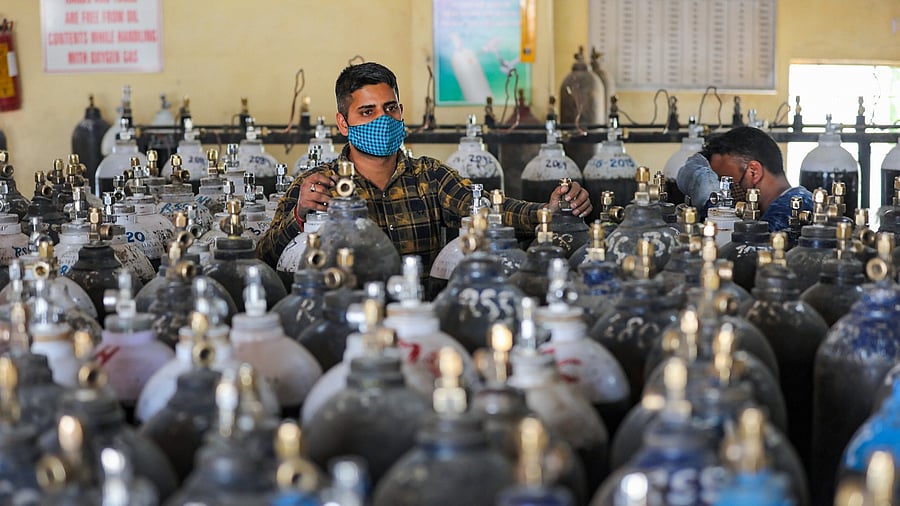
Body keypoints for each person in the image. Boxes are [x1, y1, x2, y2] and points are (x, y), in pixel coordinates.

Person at [256, 62, 592, 271]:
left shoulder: (429, 177)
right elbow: (267, 257)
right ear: (343, 124)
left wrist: (546, 212)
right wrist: (299, 215)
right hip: (347, 318)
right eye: (368, 112)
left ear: (401, 111)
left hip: (425, 316)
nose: (383, 120)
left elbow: (489, 211)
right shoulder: (317, 186)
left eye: (391, 109)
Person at [676, 126, 813, 232]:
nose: (719, 193)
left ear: (753, 172)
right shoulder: (797, 200)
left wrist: (715, 210)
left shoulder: (786, 215)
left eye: (724, 182)